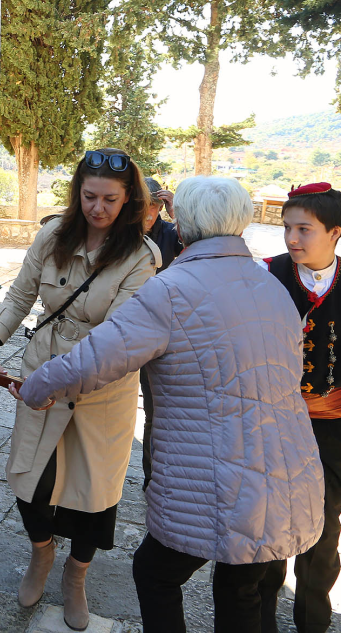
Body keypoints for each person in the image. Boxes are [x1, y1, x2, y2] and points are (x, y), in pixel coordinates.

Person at [13, 176, 325, 633]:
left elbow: (98, 356)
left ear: (181, 225)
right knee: (241, 591)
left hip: (209, 479)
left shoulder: (171, 289)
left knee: (156, 575)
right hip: (283, 473)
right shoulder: (271, 286)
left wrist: (37, 387)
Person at [0, 148, 159, 630]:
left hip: (101, 389)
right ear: (78, 194)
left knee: (92, 494)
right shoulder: (53, 236)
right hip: (41, 374)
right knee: (30, 480)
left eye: (110, 200)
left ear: (129, 202)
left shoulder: (141, 258)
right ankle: (41, 553)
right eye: (90, 196)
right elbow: (19, 296)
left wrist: (59, 380)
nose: (98, 208)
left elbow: (116, 337)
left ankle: (76, 576)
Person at [260, 182, 341, 633]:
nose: (292, 239)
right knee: (269, 516)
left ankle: (312, 620)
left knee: (325, 519)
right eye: (287, 228)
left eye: (304, 229)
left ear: (335, 232)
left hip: (335, 422)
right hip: (272, 419)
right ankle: (260, 615)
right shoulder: (266, 277)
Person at [138, 177, 185, 489]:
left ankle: (153, 478)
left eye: (152, 207)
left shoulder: (171, 234)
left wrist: (175, 212)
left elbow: (202, 245)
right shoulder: (117, 235)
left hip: (159, 334)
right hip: (118, 328)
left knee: (156, 413)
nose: (145, 214)